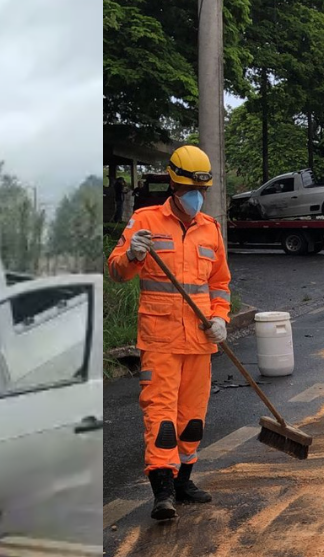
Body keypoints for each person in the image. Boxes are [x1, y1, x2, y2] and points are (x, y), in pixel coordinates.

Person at [107, 144, 232, 521]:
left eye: (203, 191)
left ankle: (184, 483)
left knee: (192, 419)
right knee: (161, 419)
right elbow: (115, 271)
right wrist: (132, 255)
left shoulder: (210, 230)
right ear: (174, 187)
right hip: (160, 341)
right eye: (191, 190)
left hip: (199, 340)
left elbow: (220, 285)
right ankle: (162, 493)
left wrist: (221, 318)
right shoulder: (145, 222)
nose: (197, 197)